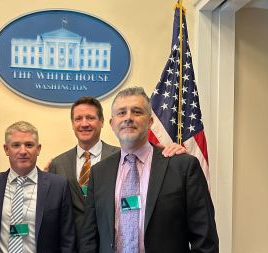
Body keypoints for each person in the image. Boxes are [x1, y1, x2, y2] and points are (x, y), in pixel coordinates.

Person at [79, 87, 219, 253]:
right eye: (121, 113)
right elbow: (90, 239)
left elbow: (205, 236)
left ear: (151, 120)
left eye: (137, 112)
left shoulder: (181, 166)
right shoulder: (100, 172)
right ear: (112, 123)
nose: (128, 118)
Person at [48, 96, 185, 240]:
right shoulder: (58, 164)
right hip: (72, 247)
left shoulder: (124, 157)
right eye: (78, 119)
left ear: (102, 122)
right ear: (72, 123)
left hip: (111, 245)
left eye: (90, 118)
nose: (84, 124)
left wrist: (171, 149)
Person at [0, 121, 77, 253]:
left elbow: (68, 242)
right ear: (6, 149)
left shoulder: (58, 186)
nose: (22, 151)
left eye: (29, 145)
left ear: (38, 148)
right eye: (16, 145)